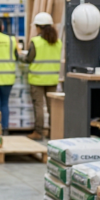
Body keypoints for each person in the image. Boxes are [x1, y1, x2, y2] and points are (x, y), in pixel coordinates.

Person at [22, 12, 62, 141]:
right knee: (52, 107)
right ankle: (53, 131)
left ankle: (38, 132)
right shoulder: (58, 42)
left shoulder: (36, 41)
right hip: (52, 79)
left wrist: (20, 57)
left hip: (37, 79)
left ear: (39, 27)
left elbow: (29, 59)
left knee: (39, 106)